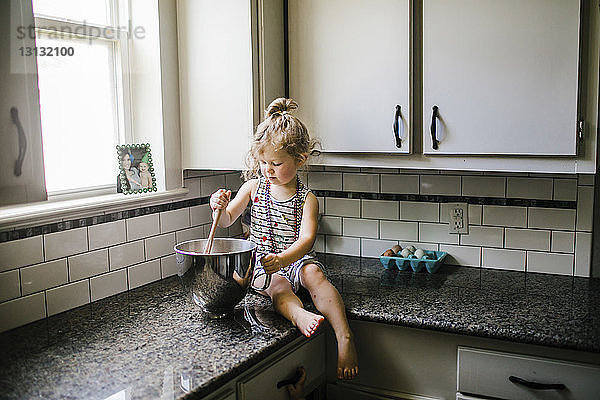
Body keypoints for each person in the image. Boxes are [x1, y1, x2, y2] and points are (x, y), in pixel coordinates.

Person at [209, 98, 358, 380]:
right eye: (263, 162)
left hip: (293, 259)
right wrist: (217, 205)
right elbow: (227, 219)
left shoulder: (306, 199)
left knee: (314, 273)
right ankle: (299, 315)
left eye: (276, 163)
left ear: (299, 160)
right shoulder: (253, 188)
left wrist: (285, 259)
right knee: (278, 288)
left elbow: (307, 240)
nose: (268, 169)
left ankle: (344, 337)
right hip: (265, 265)